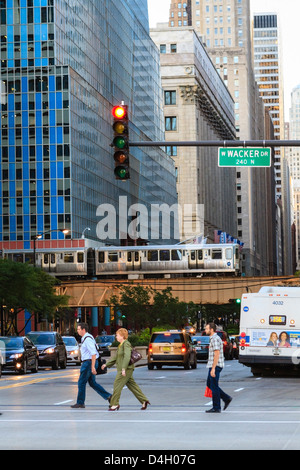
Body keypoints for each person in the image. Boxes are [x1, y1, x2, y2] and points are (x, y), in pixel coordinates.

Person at [102, 328, 150, 411]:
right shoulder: (120, 345)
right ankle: (144, 400)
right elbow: (116, 357)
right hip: (124, 369)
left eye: (117, 335)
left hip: (125, 369)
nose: (116, 337)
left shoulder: (126, 344)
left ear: (122, 336)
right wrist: (106, 364)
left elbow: (127, 357)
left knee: (117, 385)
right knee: (133, 386)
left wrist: (123, 368)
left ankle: (114, 404)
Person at [70, 323, 111, 409]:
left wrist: (92, 367)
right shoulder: (88, 337)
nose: (77, 331)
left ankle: (80, 402)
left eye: (78, 329)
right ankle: (108, 396)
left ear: (83, 329)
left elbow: (93, 353)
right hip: (90, 362)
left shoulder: (87, 339)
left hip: (88, 363)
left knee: (81, 382)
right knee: (92, 383)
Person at [205, 322, 232, 413]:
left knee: (214, 386)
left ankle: (216, 407)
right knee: (210, 384)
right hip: (214, 365)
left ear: (211, 330)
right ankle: (226, 398)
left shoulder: (215, 339)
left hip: (215, 365)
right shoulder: (213, 338)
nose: (205, 330)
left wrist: (213, 368)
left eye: (207, 329)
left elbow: (217, 353)